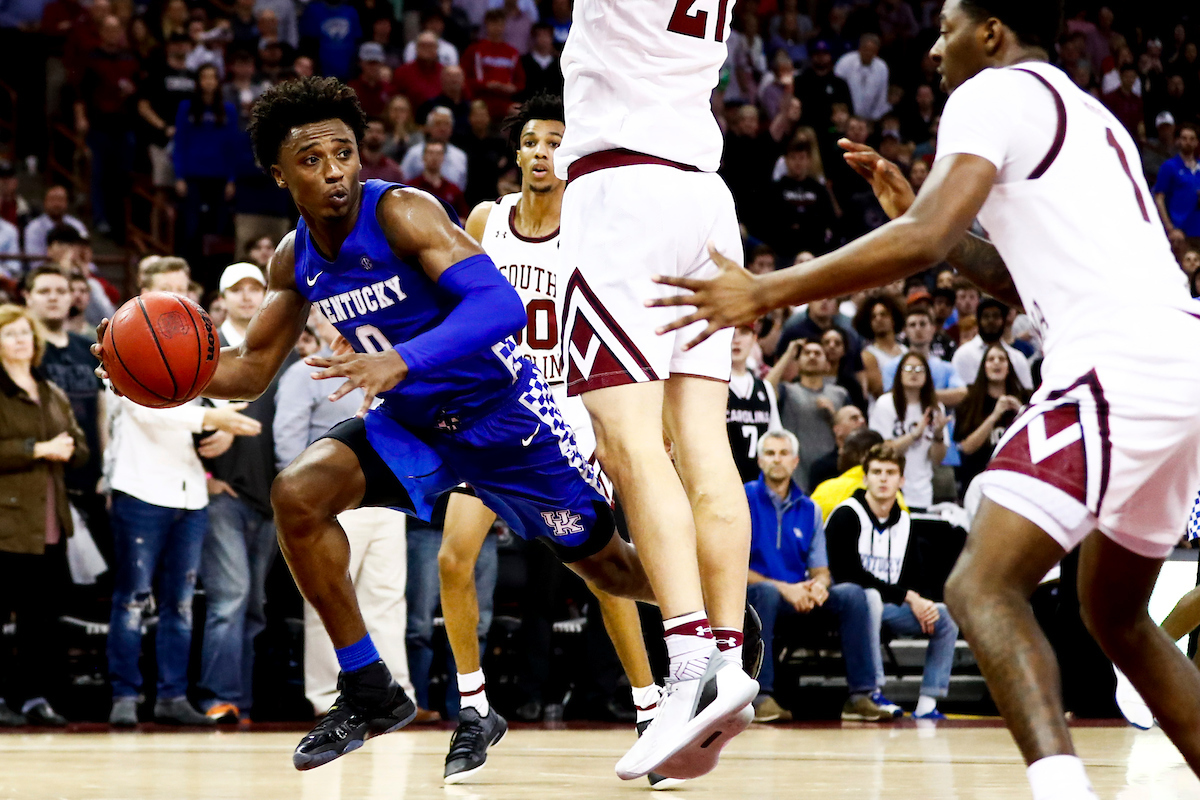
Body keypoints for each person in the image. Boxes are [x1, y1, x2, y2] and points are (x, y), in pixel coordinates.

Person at [648, 1, 1200, 795]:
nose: (935, 47)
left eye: (946, 27)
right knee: (1115, 617)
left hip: (1120, 359)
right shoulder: (1090, 113)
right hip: (1179, 354)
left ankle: (1061, 791)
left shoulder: (992, 92)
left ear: (992, 31)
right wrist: (916, 218)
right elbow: (1014, 278)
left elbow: (928, 240)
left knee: (980, 586)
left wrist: (764, 290)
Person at [93, 76, 663, 768]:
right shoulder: (292, 258)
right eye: (311, 160)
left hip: (503, 416)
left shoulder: (403, 211)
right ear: (278, 174)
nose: (334, 171)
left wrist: (400, 359)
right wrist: (148, 376)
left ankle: (712, 616)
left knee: (612, 569)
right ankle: (368, 687)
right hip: (417, 421)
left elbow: (500, 309)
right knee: (298, 496)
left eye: (344, 153)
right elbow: (247, 371)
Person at [556, 0, 761, 780]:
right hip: (705, 199)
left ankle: (689, 663)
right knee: (706, 444)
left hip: (622, 194)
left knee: (629, 442)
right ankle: (729, 655)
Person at [448, 94, 672, 788]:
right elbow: (452, 305)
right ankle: (475, 708)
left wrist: (624, 423)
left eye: (556, 142)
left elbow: (624, 325)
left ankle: (650, 707)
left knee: (600, 572)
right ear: (515, 153)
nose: (543, 152)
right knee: (455, 559)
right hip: (492, 409)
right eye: (533, 142)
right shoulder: (485, 221)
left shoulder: (592, 228)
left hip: (566, 415)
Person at [104, 259, 261, 728]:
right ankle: (125, 695)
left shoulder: (193, 343)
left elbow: (218, 397)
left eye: (181, 288)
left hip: (191, 490)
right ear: (143, 294)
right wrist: (215, 419)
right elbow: (147, 410)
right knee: (132, 598)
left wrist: (224, 424)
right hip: (139, 488)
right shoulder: (121, 340)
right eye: (165, 288)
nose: (176, 295)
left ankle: (172, 695)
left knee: (179, 603)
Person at [274, 308, 414, 717]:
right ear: (314, 323)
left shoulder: (389, 362)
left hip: (388, 491)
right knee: (330, 596)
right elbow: (287, 443)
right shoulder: (303, 373)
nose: (337, 320)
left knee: (387, 598)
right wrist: (313, 497)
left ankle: (398, 691)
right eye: (327, 314)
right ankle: (326, 696)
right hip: (333, 499)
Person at [746, 430, 897, 724]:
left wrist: (818, 588)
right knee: (765, 593)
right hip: (755, 597)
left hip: (798, 597)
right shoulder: (742, 498)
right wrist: (785, 588)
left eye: (783, 453)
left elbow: (821, 571)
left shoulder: (810, 508)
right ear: (760, 461)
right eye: (770, 453)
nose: (777, 459)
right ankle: (760, 697)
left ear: (795, 461)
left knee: (852, 594)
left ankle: (861, 696)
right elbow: (730, 569)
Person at [196, 262, 290, 723]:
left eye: (257, 289)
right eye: (239, 290)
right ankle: (219, 696)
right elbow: (181, 420)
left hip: (270, 498)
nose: (249, 297)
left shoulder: (283, 351)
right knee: (230, 597)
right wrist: (207, 477)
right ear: (222, 298)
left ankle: (243, 702)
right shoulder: (201, 352)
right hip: (222, 495)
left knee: (254, 603)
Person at [0, 304, 88, 727]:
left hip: (50, 524)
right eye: (11, 333)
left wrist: (70, 447)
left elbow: (81, 447)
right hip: (8, 523)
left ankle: (35, 697)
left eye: (25, 334)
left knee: (41, 620)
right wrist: (37, 449)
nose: (21, 340)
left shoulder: (50, 389)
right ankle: (4, 697)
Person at [826, 445, 959, 720]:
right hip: (847, 606)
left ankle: (927, 703)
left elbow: (916, 577)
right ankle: (872, 692)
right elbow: (848, 573)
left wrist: (922, 601)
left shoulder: (906, 523)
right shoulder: (846, 514)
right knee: (870, 597)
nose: (883, 479)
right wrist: (908, 596)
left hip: (891, 608)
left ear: (901, 481)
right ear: (865, 479)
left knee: (945, 616)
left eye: (890, 473)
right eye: (876, 472)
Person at [766, 339, 848, 492]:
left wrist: (834, 415)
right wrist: (789, 353)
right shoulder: (787, 391)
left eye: (818, 353)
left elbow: (853, 431)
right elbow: (765, 390)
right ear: (797, 363)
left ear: (827, 364)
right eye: (806, 353)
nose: (812, 356)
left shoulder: (839, 394)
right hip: (796, 473)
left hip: (831, 473)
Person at [868, 352, 947, 509]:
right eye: (909, 368)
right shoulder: (885, 404)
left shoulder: (936, 408)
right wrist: (914, 435)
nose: (914, 373)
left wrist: (938, 436)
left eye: (919, 369)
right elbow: (882, 451)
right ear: (899, 374)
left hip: (923, 492)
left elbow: (937, 460)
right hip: (890, 491)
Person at [953, 343, 1027, 492]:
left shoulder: (1025, 398)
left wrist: (1022, 413)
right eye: (991, 359)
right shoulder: (970, 401)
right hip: (977, 481)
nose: (996, 363)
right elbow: (966, 448)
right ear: (983, 367)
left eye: (1002, 359)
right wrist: (994, 416)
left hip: (1016, 482)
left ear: (1009, 367)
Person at [727, 324, 780, 484]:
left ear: (754, 339)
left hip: (759, 484)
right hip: (725, 481)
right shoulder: (713, 387)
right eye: (730, 333)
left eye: (743, 333)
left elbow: (776, 436)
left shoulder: (765, 388)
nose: (736, 340)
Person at [883, 307, 967, 407]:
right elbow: (891, 399)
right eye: (912, 325)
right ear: (905, 331)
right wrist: (939, 396)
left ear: (933, 329)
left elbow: (961, 394)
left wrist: (916, 395)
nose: (918, 329)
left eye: (923, 324)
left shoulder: (946, 367)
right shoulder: (892, 367)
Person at [951, 297, 1034, 390]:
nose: (991, 320)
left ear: (1003, 321)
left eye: (996, 316)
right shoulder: (963, 354)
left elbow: (1027, 392)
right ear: (978, 321)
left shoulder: (1017, 357)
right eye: (986, 316)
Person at [1153, 122, 1200, 253]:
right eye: (1184, 138)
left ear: (1196, 142)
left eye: (1192, 139)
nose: (1188, 142)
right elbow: (1159, 197)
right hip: (1180, 232)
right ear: (1178, 141)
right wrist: (1170, 228)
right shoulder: (1169, 166)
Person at [854, 294, 906, 398]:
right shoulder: (868, 355)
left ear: (894, 318)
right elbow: (880, 391)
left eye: (884, 314)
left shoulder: (906, 351)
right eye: (873, 317)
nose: (879, 319)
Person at [808, 404, 867, 489]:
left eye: (862, 417)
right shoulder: (822, 468)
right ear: (837, 430)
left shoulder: (875, 460)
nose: (862, 421)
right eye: (854, 418)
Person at [22, 186, 88, 257]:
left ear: (67, 203)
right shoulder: (34, 228)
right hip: (46, 267)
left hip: (74, 266)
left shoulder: (77, 225)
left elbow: (87, 255)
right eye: (52, 200)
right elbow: (34, 261)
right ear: (45, 202)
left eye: (60, 200)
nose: (57, 204)